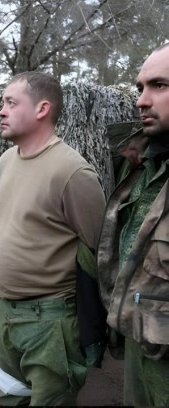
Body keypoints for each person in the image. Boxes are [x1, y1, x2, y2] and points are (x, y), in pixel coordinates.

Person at [0, 71, 106, 405]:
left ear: (42, 109)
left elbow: (97, 246)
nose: (1, 110)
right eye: (2, 102)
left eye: (11, 102)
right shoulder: (6, 161)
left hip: (50, 321)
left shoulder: (72, 172)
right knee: (10, 397)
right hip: (5, 313)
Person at [97, 43, 169, 407]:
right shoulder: (139, 163)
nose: (142, 100)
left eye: (159, 85)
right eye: (140, 87)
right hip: (139, 341)